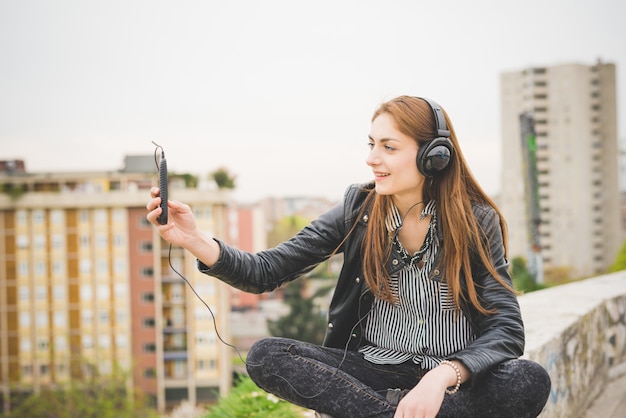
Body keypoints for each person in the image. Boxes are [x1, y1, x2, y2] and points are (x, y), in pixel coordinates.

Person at [146, 96, 551, 418]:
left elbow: (507, 330)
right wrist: (196, 239)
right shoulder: (359, 207)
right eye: (372, 144)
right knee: (265, 356)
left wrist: (441, 377)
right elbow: (267, 271)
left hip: (452, 379)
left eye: (389, 147)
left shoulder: (476, 221)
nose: (372, 158)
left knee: (528, 379)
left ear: (435, 156)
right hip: (371, 373)